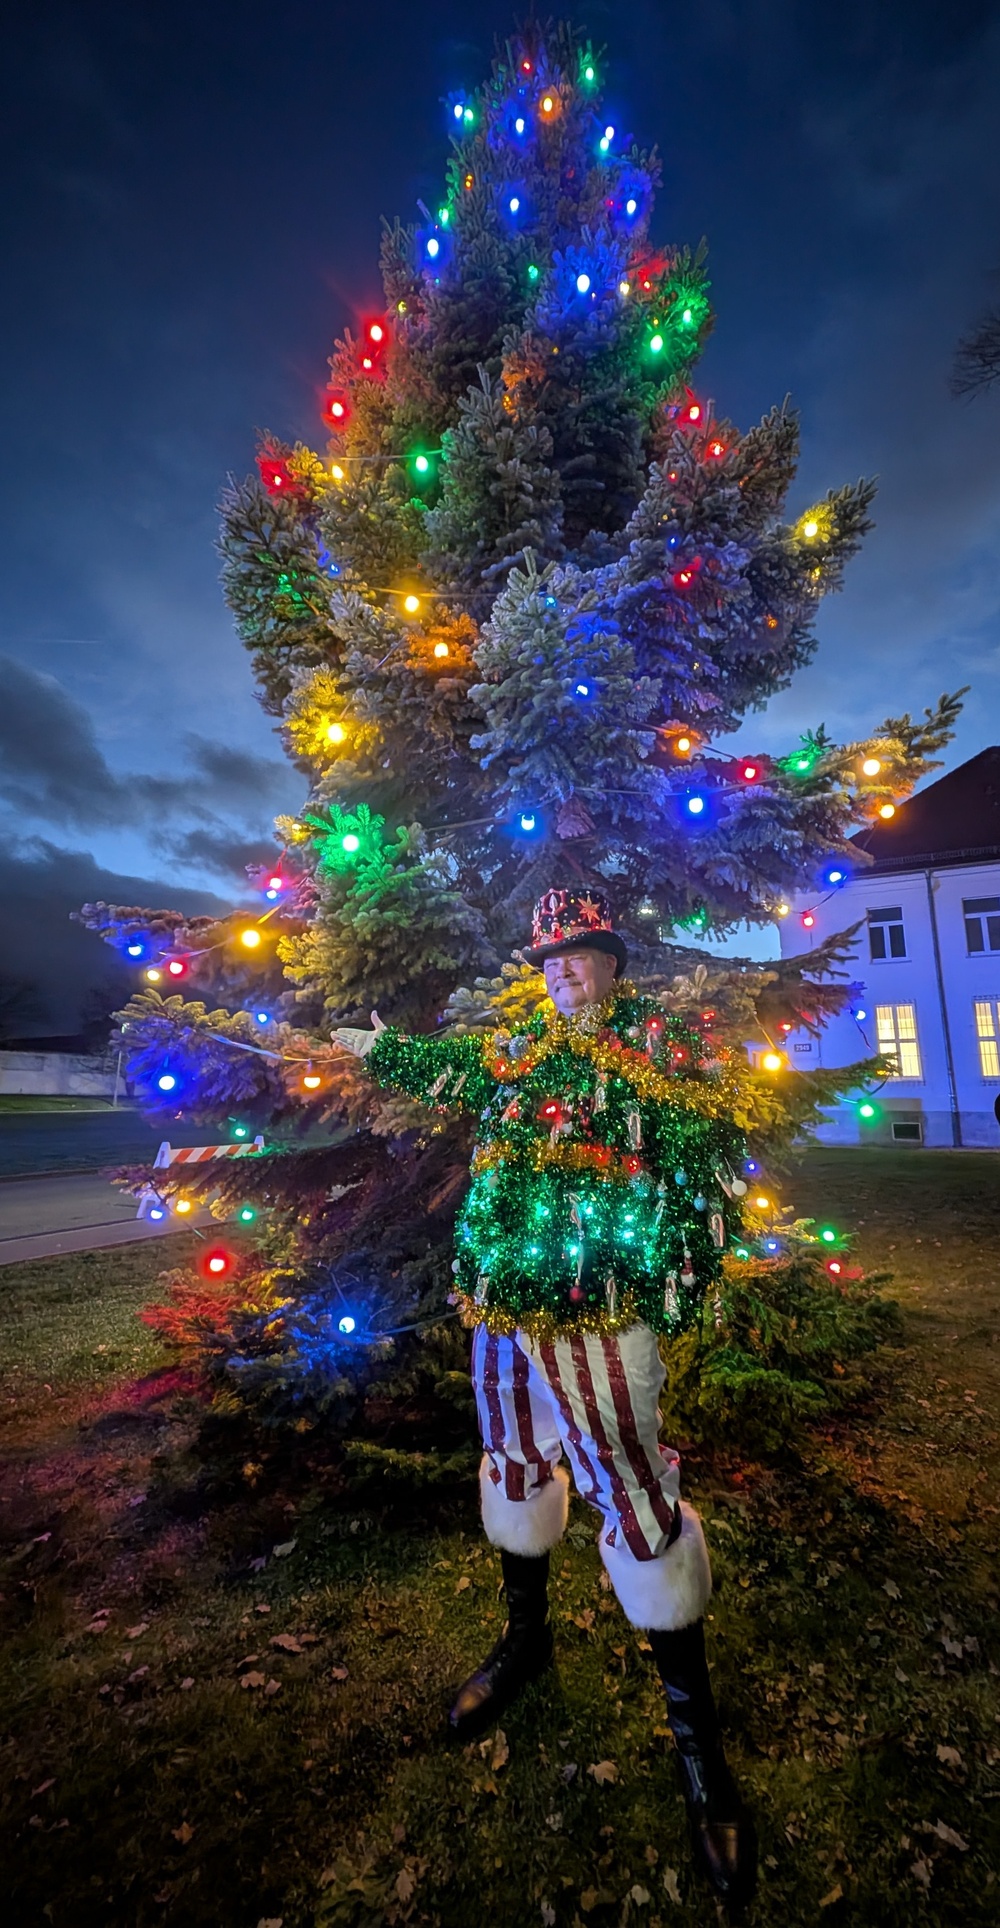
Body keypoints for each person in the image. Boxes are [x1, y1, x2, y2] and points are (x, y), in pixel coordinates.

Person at [334, 887, 757, 1909]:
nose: (559, 970)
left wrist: (685, 1270)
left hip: (598, 1299)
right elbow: (445, 1067)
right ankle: (526, 1638)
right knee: (513, 1459)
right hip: (498, 1296)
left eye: (576, 955)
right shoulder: (516, 1043)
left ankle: (698, 1747)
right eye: (547, 958)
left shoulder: (655, 1043)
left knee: (630, 1485)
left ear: (611, 960)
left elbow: (704, 1165)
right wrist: (376, 1048)